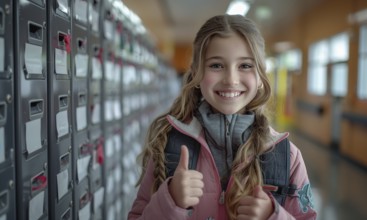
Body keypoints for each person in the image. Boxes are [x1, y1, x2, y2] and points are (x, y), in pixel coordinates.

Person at [128, 14, 317, 220]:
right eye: (216, 65)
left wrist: (273, 216)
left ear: (261, 76)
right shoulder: (167, 145)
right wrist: (169, 201)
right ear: (196, 74)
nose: (231, 80)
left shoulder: (287, 156)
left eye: (245, 65)